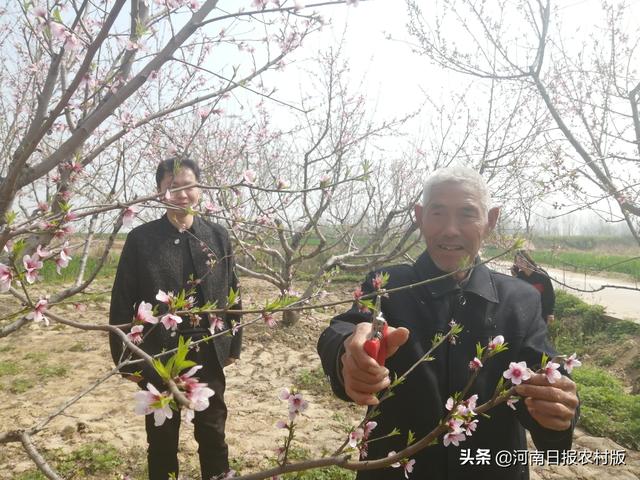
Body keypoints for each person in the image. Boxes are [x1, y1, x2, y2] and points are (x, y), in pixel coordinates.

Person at [317, 167, 578, 480]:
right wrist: (346, 353)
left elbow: (542, 372)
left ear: (490, 220)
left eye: (467, 213)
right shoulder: (388, 286)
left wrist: (558, 411)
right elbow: (345, 328)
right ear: (419, 216)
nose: (450, 230)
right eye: (437, 212)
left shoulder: (519, 299)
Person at [109, 157, 241, 480]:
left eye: (188, 186)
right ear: (159, 193)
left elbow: (232, 290)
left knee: (213, 430)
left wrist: (233, 344)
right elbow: (122, 299)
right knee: (162, 438)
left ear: (199, 189)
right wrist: (125, 359)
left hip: (208, 348)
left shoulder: (217, 235)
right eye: (172, 187)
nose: (181, 194)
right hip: (159, 352)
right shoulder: (141, 239)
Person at [511, 250, 555, 323]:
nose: (519, 263)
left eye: (522, 261)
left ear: (528, 260)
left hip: (541, 312)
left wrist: (550, 313)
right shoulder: (520, 276)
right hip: (526, 313)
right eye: (517, 261)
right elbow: (517, 296)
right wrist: (514, 276)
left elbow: (550, 294)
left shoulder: (541, 274)